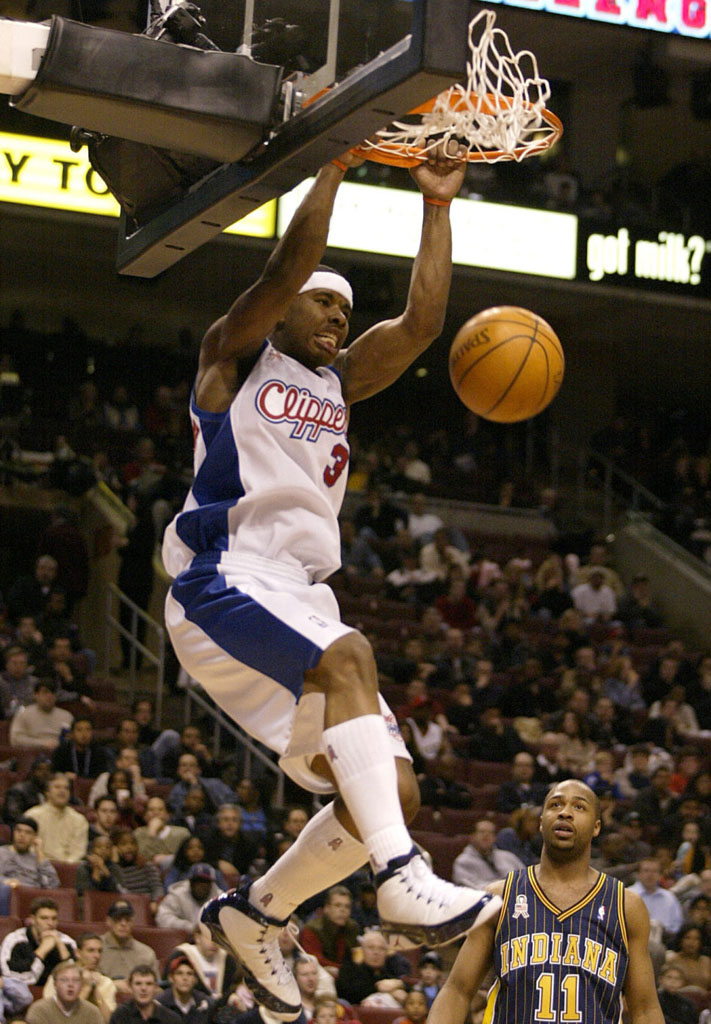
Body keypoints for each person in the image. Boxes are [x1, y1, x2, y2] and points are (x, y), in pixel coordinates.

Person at [162, 145, 494, 1019]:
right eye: (323, 302)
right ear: (281, 312)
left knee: (396, 788)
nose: (337, 317)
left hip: (296, 591)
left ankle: (256, 910)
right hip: (223, 573)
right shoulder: (230, 359)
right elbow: (284, 267)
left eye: (346, 310)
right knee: (350, 655)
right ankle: (397, 877)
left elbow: (420, 326)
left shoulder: (340, 383)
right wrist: (337, 164)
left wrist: (435, 206)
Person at [428, 779, 665, 1024]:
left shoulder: (625, 905)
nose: (564, 812)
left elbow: (645, 1009)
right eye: (555, 805)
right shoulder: (500, 897)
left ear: (596, 827)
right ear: (541, 823)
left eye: (579, 807)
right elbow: (456, 990)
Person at [0, 895, 76, 986]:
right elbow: (10, 979)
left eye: (54, 918)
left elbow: (75, 979)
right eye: (44, 918)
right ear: (32, 919)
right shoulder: (15, 940)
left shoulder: (67, 942)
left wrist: (60, 945)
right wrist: (42, 950)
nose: (50, 923)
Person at [335, 928, 408, 1007]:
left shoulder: (391, 970)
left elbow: (407, 987)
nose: (376, 952)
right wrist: (381, 989)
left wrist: (400, 984)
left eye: (381, 949)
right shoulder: (349, 969)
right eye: (371, 948)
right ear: (362, 950)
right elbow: (351, 993)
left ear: (386, 953)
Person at [98, 900, 159, 994]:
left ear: (133, 922)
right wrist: (112, 985)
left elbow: (156, 988)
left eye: (127, 920)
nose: (123, 924)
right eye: (118, 919)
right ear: (108, 921)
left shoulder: (146, 953)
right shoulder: (95, 948)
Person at [26, 771, 89, 862]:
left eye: (66, 788)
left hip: (68, 869)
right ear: (47, 792)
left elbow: (78, 852)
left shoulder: (79, 820)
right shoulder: (32, 816)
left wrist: (64, 868)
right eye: (57, 787)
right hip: (38, 866)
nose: (62, 791)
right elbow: (29, 848)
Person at [0, 815, 60, 904]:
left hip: (31, 899)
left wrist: (39, 853)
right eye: (18, 831)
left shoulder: (38, 859)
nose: (22, 835)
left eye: (28, 832)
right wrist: (5, 881)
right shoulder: (1, 853)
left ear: (35, 838)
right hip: (6, 896)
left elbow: (52, 885)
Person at [452, 819, 525, 889]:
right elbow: (471, 888)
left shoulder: (507, 856)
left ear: (495, 838)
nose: (486, 835)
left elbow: (526, 878)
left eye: (491, 832)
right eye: (482, 832)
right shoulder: (463, 862)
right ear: (472, 837)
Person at [27, 961, 104, 1024]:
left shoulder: (92, 1012)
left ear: (81, 985)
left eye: (75, 980)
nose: (70, 985)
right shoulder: (39, 1010)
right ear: (55, 984)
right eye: (64, 980)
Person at [9, 678, 73, 750]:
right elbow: (15, 739)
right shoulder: (24, 714)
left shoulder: (67, 716)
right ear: (36, 695)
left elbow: (72, 739)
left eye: (52, 693)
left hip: (60, 753)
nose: (49, 696)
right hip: (32, 753)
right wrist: (42, 743)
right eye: (45, 692)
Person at [156, 863, 223, 931]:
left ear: (211, 884)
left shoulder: (220, 898)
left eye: (205, 882)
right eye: (197, 881)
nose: (200, 885)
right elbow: (162, 919)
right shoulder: (177, 895)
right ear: (190, 882)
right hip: (183, 939)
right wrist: (191, 927)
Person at [108, 965, 181, 1024]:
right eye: (138, 984)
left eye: (149, 984)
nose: (143, 988)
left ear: (155, 987)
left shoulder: (170, 1019)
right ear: (130, 987)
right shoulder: (120, 1016)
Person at [156, 955, 213, 1024]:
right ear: (171, 978)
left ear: (195, 980)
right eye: (179, 973)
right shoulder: (159, 1005)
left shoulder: (205, 1004)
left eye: (189, 974)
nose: (185, 978)